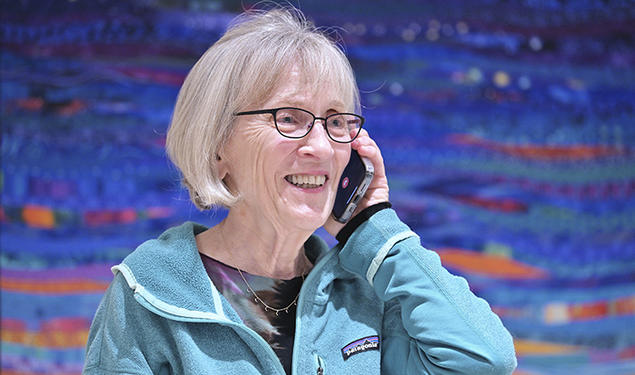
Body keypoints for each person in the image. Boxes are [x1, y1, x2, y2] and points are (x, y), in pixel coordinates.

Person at [83, 6, 517, 375]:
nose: (321, 146)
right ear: (218, 147)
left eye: (335, 121)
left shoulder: (367, 295)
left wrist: (373, 228)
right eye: (289, 118)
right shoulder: (149, 294)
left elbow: (485, 360)